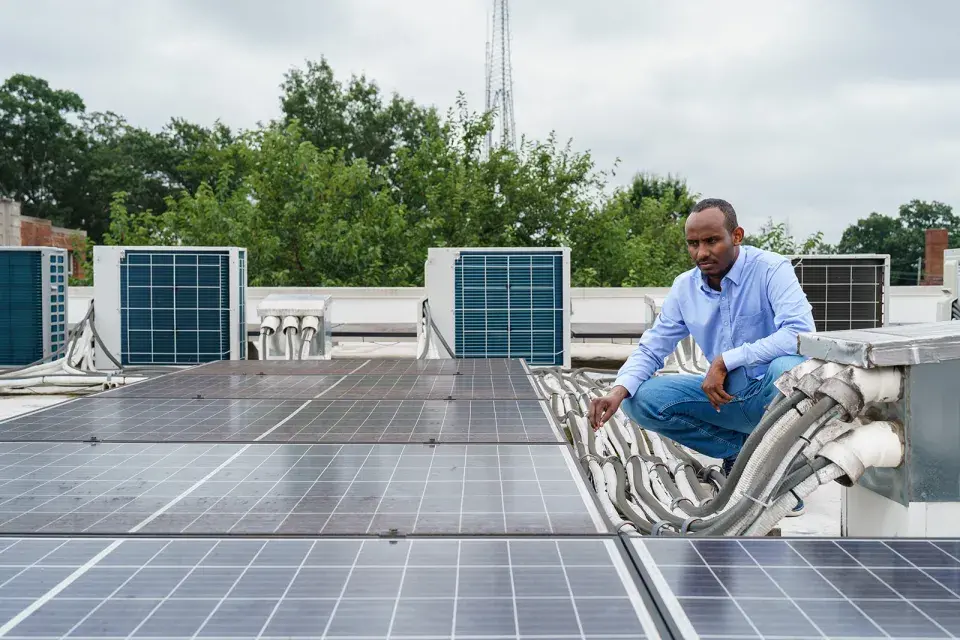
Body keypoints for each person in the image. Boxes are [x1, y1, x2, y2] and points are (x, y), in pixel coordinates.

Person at [588, 198, 816, 515]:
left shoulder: (770, 270)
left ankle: (779, 468)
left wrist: (725, 360)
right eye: (693, 244)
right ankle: (742, 454)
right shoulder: (685, 288)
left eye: (712, 241)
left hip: (770, 393)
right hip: (724, 397)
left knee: (789, 367)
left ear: (736, 236)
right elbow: (654, 346)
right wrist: (617, 390)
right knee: (639, 398)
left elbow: (798, 333)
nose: (701, 253)